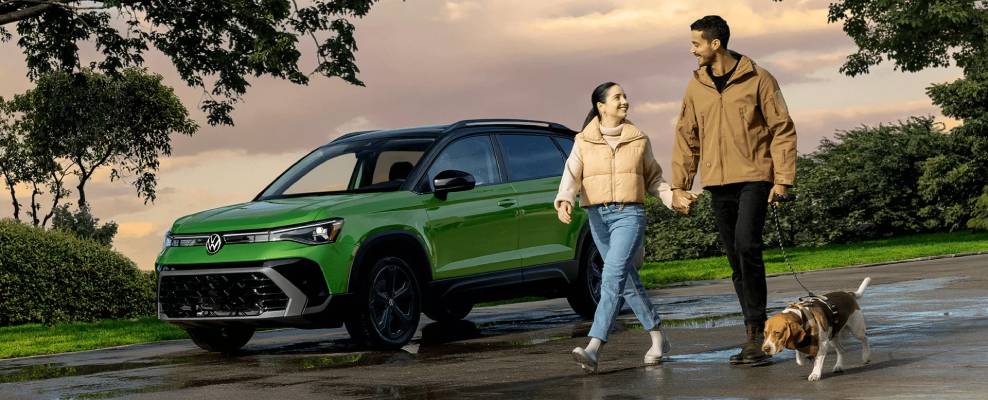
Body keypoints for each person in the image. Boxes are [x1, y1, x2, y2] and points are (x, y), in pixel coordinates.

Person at [669, 15, 798, 365]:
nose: (692, 50)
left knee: (747, 245)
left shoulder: (759, 78)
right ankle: (754, 334)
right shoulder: (696, 87)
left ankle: (758, 331)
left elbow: (782, 128)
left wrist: (782, 179)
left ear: (715, 44)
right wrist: (679, 186)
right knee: (735, 258)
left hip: (756, 177)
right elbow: (686, 137)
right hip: (717, 183)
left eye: (696, 43)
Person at [554, 82, 697, 373]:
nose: (624, 101)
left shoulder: (638, 138)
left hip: (629, 214)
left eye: (625, 96)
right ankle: (658, 337)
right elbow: (571, 173)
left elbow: (654, 178)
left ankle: (594, 346)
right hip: (597, 216)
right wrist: (565, 199)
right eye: (617, 97)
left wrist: (672, 200)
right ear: (601, 106)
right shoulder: (583, 140)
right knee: (626, 280)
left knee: (612, 275)